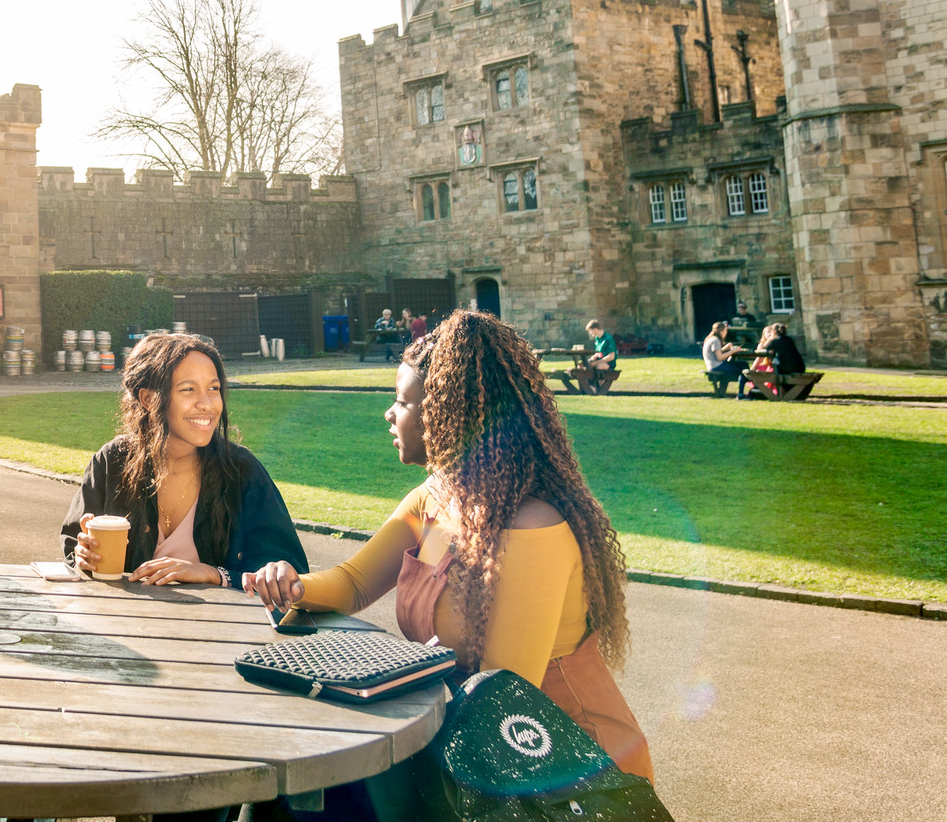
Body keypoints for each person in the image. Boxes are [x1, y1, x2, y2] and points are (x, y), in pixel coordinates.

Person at [243, 310, 652, 780]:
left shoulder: (530, 526)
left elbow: (502, 694)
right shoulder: (435, 498)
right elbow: (354, 583)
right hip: (466, 742)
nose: (390, 413)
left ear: (445, 416)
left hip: (567, 768)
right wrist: (292, 585)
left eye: (403, 402)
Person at [61, 332, 309, 589]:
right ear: (148, 399)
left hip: (222, 616)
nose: (207, 404)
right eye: (188, 389)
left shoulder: (241, 470)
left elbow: (289, 575)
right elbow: (73, 549)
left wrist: (215, 574)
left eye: (213, 388)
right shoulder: (111, 462)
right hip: (122, 615)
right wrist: (83, 557)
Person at [703, 319, 747, 391]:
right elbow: (720, 357)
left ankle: (726, 392)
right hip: (716, 366)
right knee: (744, 366)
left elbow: (716, 353)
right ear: (721, 331)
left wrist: (725, 348)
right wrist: (732, 351)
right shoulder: (716, 340)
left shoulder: (710, 339)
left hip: (713, 365)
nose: (726, 333)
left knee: (741, 364)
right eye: (725, 331)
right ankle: (741, 392)